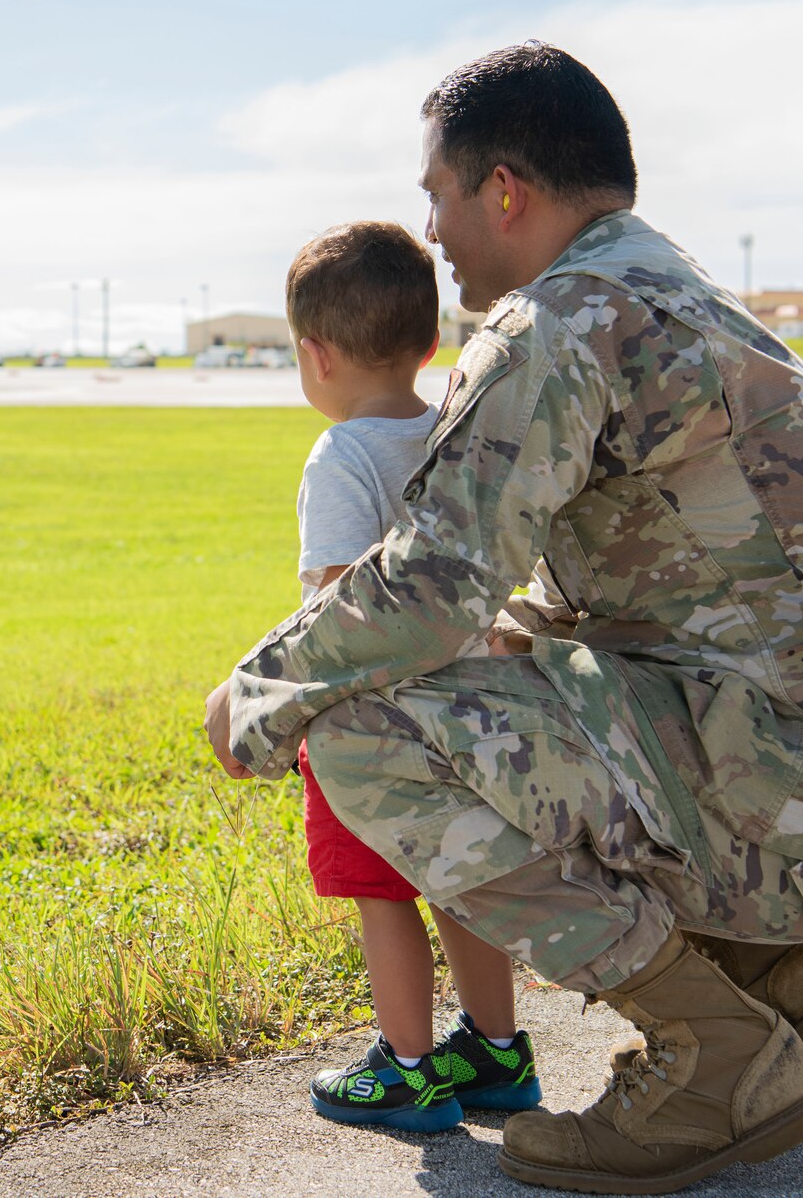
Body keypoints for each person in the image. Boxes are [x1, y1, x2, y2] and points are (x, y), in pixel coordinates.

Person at [204, 43, 803, 1194]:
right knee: (508, 646)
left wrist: (257, 692)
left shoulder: (552, 322)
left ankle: (715, 1049)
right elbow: (578, 593)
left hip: (799, 802)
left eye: (437, 197)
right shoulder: (665, 282)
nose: (436, 233)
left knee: (360, 728)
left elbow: (427, 582)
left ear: (500, 187)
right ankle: (769, 973)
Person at [279, 221, 544, 1132]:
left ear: (314, 356)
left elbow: (339, 608)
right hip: (474, 709)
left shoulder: (342, 456)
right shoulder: (449, 433)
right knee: (461, 876)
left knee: (381, 892)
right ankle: (496, 1050)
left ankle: (407, 1066)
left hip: (377, 727)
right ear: (430, 343)